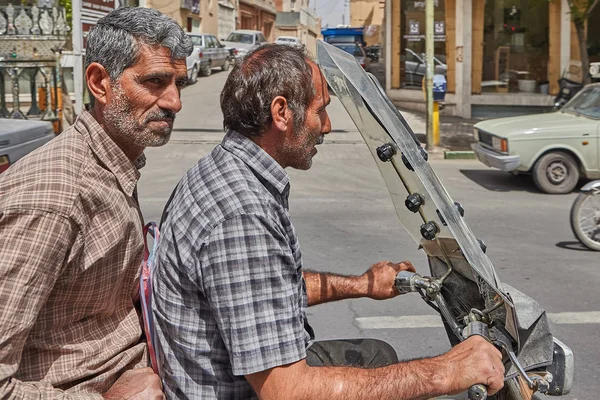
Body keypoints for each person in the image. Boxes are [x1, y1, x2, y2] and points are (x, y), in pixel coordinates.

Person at [152, 44, 505, 399]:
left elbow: (265, 289)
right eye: (321, 111)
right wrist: (444, 373)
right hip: (245, 391)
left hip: (233, 374)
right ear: (281, 112)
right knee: (407, 380)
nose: (327, 126)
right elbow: (286, 391)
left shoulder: (224, 169)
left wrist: (363, 285)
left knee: (377, 354)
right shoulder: (242, 215)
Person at [0, 7, 191, 399]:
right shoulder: (54, 196)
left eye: (178, 84)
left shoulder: (116, 162)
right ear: (100, 83)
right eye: (155, 82)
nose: (173, 102)